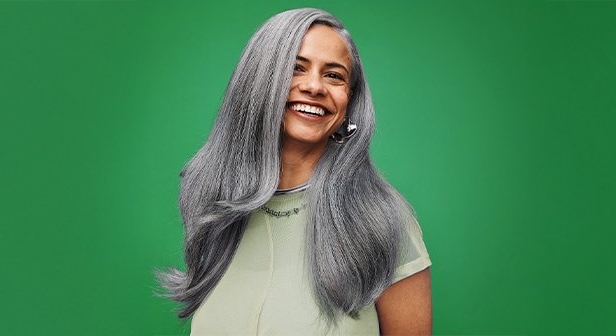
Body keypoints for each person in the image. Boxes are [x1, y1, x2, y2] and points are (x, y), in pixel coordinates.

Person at [155, 7, 433, 336]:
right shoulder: (215, 210)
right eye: (295, 68)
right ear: (258, 82)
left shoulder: (382, 219)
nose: (314, 86)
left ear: (349, 101)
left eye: (334, 75)